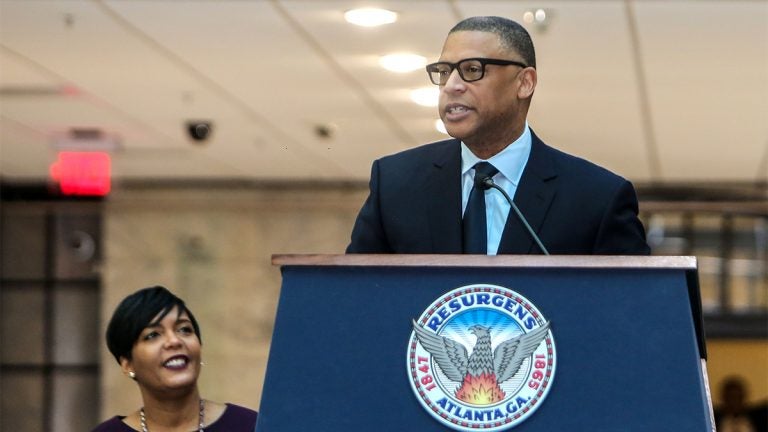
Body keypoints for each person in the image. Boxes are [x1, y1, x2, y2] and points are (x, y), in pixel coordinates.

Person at [347, 16, 650, 255]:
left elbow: (635, 313)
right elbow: (350, 298)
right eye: (444, 71)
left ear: (525, 83)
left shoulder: (597, 198)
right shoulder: (396, 183)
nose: (452, 85)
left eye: (472, 69)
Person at [91, 286, 258, 432]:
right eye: (153, 335)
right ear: (127, 364)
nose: (174, 341)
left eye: (184, 329)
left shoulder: (252, 426)